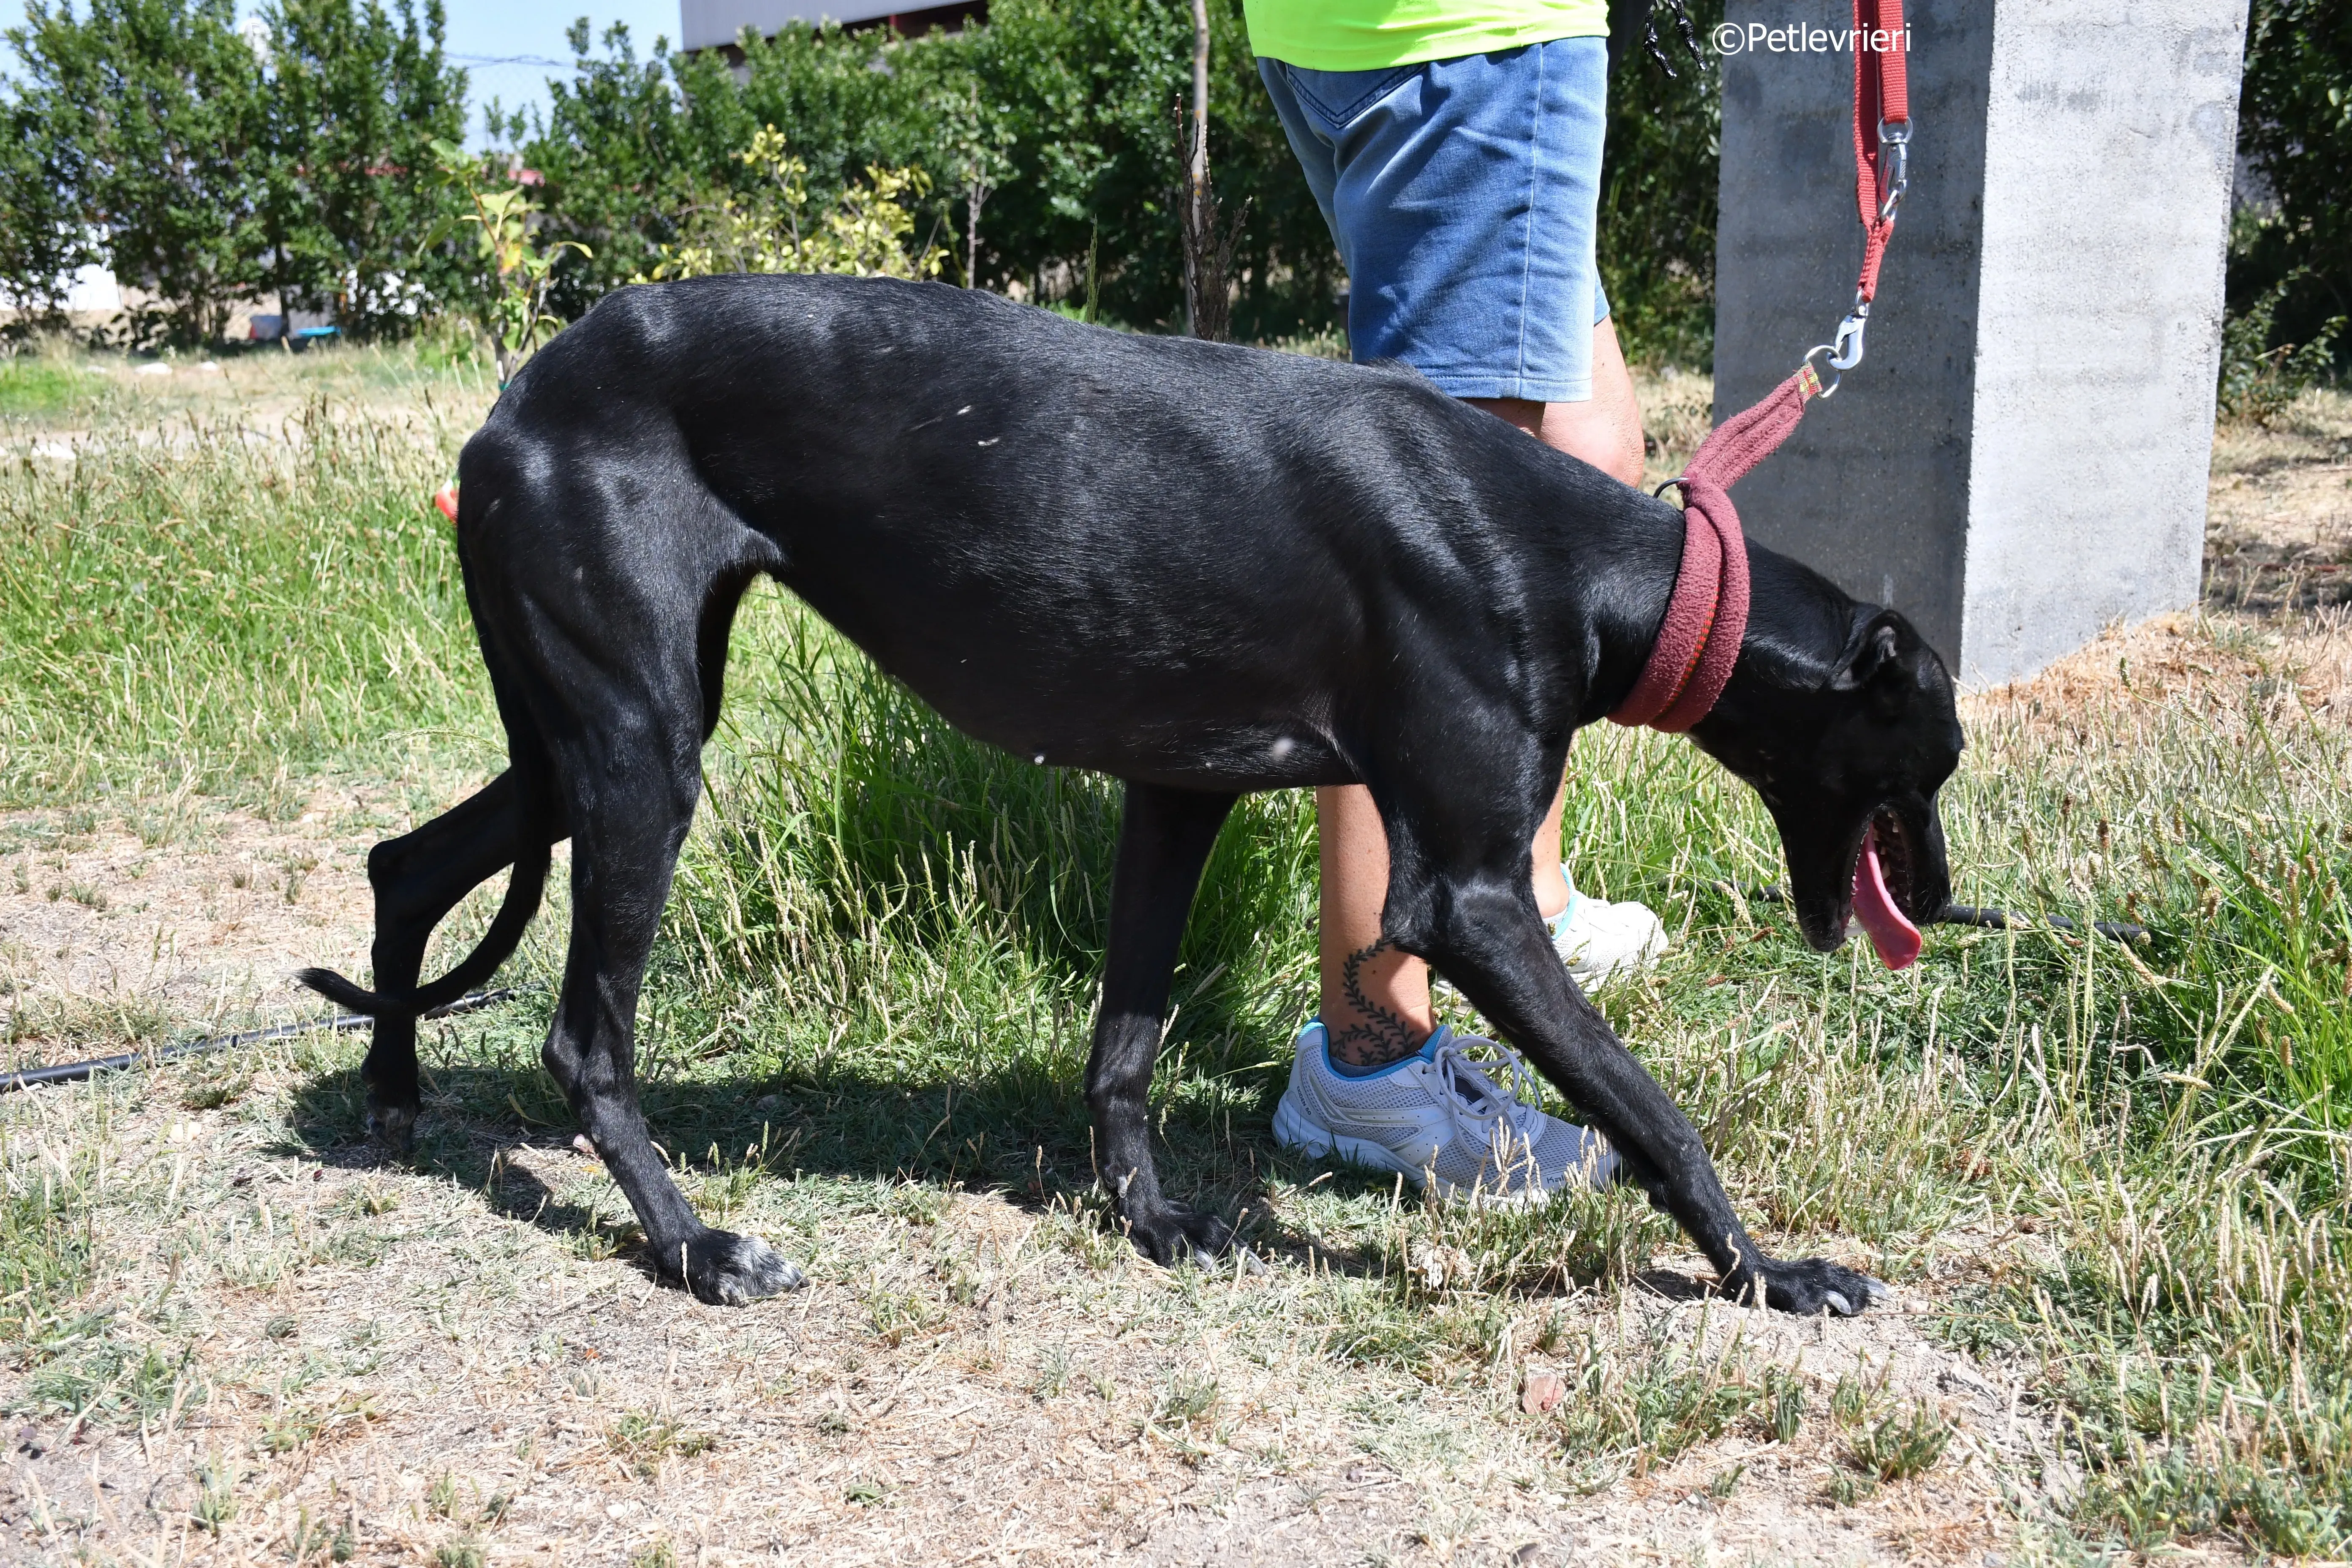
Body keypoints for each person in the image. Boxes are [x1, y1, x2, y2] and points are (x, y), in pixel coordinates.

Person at [1247, 0, 1669, 1198]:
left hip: (1370, 36)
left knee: (1586, 458)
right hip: (1466, 36)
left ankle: (1517, 896)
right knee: (1435, 577)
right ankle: (1367, 1054)